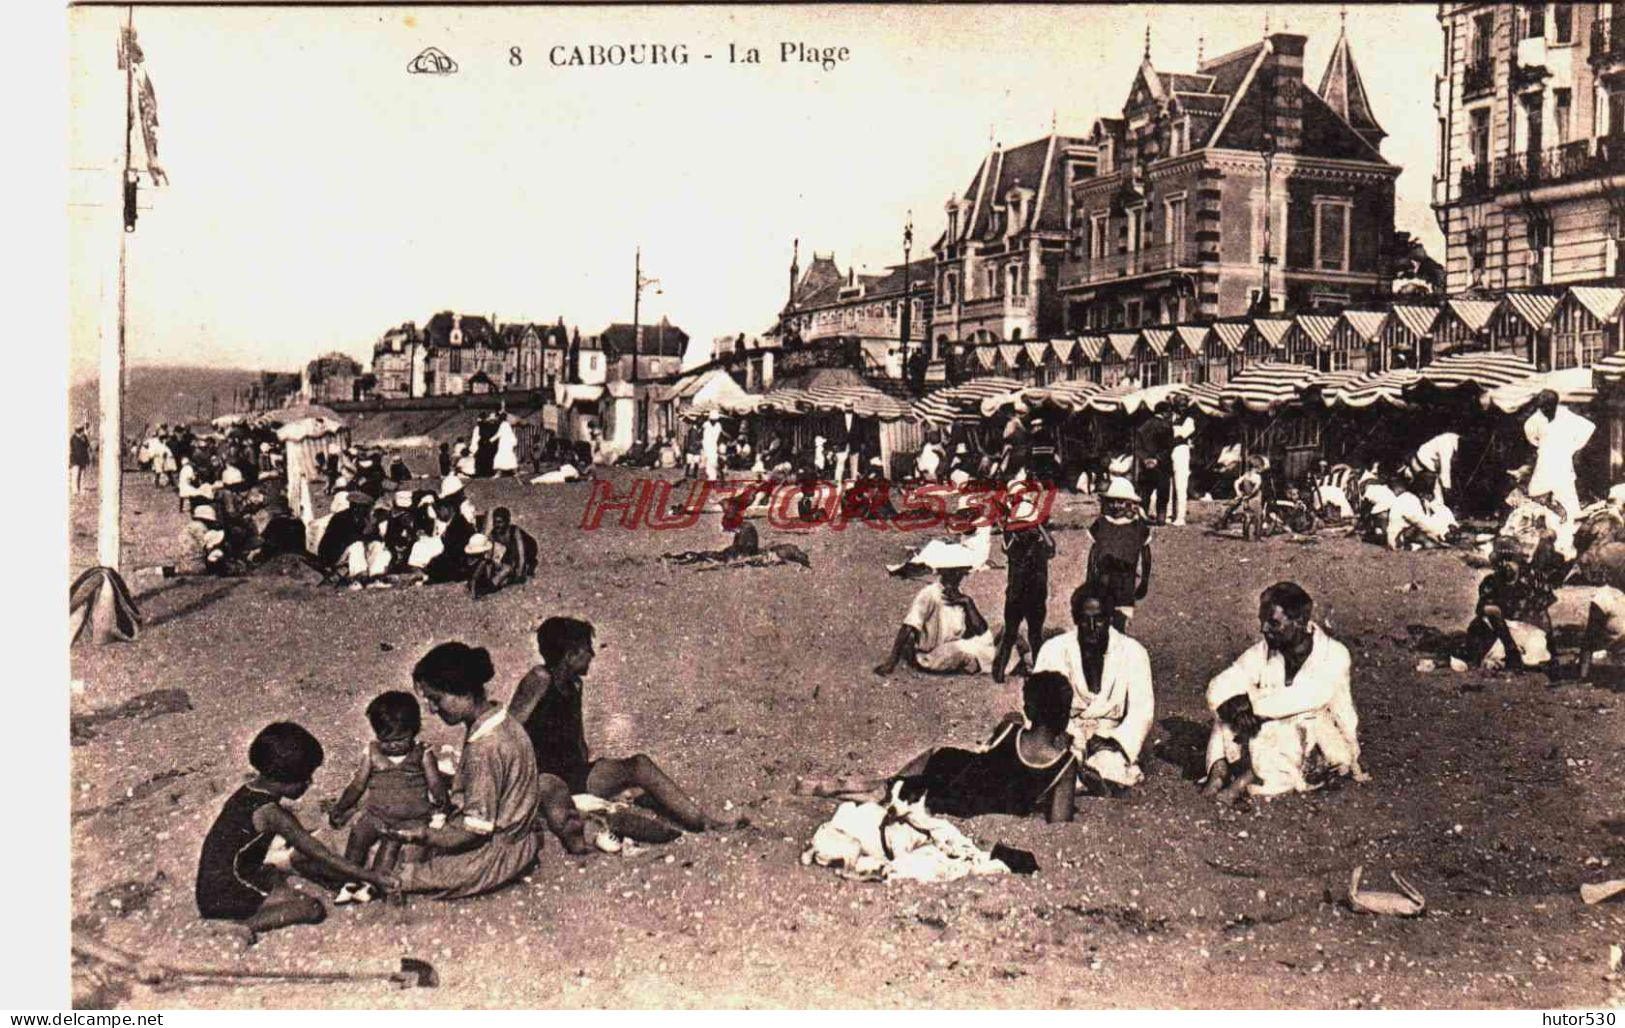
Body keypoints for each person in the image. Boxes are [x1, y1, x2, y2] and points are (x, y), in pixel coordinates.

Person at [508, 618, 742, 851]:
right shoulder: (539, 679)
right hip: (544, 780)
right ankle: (605, 816)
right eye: (586, 649)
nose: (592, 655)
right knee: (623, 795)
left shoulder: (575, 685)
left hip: (574, 774)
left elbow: (578, 738)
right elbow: (509, 731)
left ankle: (701, 822)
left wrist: (597, 772)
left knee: (638, 765)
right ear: (569, 655)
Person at [195, 723, 392, 944]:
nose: (310, 782)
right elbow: (321, 854)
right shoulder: (272, 813)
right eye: (305, 778)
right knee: (311, 908)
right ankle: (242, 926)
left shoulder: (249, 790)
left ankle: (262, 896)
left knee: (280, 873)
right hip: (223, 895)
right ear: (283, 779)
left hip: (215, 883)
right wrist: (372, 876)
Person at [793, 671, 1078, 822]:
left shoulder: (1011, 729)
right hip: (973, 802)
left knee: (926, 764)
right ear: (1064, 713)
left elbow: (992, 753)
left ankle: (869, 783)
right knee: (902, 794)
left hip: (959, 775)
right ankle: (874, 788)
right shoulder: (1064, 765)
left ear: (1030, 708)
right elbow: (1060, 821)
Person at [387, 643, 543, 899]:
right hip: (515, 838)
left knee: (399, 871)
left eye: (436, 699)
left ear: (463, 692)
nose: (432, 709)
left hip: (496, 852)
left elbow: (473, 831)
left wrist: (426, 836)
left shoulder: (485, 748)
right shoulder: (500, 720)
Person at [1202, 582, 1364, 802]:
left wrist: (1251, 706)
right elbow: (1219, 685)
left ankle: (1246, 780)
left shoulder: (1334, 654)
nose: (1263, 629)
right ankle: (1218, 770)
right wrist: (1235, 708)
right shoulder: (1265, 650)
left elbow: (1308, 697)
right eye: (1262, 620)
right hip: (1266, 727)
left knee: (1291, 722)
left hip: (1320, 738)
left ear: (1299, 622)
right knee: (1227, 710)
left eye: (1272, 623)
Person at [1032, 583, 1156, 793]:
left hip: (1109, 735)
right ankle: (1078, 778)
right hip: (1066, 731)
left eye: (1098, 619)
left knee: (1110, 766)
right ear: (1075, 619)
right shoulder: (1054, 649)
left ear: (1109, 618)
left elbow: (1142, 711)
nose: (1091, 626)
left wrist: (1114, 742)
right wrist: (1062, 734)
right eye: (1084, 619)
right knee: (1050, 762)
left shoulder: (1133, 652)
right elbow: (1039, 699)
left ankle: (1079, 779)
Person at [326, 692, 449, 903]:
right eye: (386, 740)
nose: (393, 745)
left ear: (414, 730)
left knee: (390, 845)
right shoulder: (373, 753)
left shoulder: (423, 753)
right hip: (377, 814)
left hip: (411, 818)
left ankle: (374, 885)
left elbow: (435, 782)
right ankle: (350, 879)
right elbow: (357, 785)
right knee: (358, 834)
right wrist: (340, 807)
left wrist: (442, 801)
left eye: (400, 739)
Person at [875, 560, 1003, 675]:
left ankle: (1007, 658)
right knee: (965, 651)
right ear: (943, 571)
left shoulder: (960, 594)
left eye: (961, 571)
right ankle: (1006, 662)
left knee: (1003, 629)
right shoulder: (930, 594)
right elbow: (909, 626)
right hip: (934, 654)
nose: (959, 575)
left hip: (958, 643)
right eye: (955, 570)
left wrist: (968, 603)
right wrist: (891, 663)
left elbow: (981, 631)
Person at [992, 494, 1055, 684]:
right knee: (1014, 633)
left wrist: (1038, 528)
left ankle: (1031, 670)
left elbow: (1051, 547)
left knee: (1032, 635)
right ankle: (1001, 671)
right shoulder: (1014, 542)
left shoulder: (1036, 543)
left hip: (1028, 595)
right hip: (1020, 595)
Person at [1465, 538, 1555, 671]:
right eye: (1501, 560)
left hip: (1526, 627)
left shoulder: (1534, 580)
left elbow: (1543, 613)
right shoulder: (1491, 582)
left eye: (1509, 559)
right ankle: (1509, 653)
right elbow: (1490, 612)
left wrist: (1552, 646)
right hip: (1500, 631)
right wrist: (1510, 646)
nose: (1505, 564)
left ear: (1518, 560)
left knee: (1537, 651)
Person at [1086, 478, 1152, 631]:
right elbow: (1093, 554)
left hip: (1124, 583)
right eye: (1113, 501)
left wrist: (1144, 581)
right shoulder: (1102, 523)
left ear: (1130, 503)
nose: (1116, 505)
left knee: (1119, 623)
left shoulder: (1137, 527)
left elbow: (1146, 556)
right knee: (1100, 623)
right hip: (1102, 581)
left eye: (1121, 502)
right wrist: (1089, 579)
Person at [1525, 389, 1595, 525]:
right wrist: (1540, 444)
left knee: (1564, 486)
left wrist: (1573, 447)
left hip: (1562, 457)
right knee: (1539, 488)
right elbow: (1530, 431)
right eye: (1542, 406)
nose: (1545, 409)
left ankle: (1567, 518)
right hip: (1545, 457)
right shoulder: (1537, 418)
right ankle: (1543, 517)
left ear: (1555, 404)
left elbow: (1588, 427)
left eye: (1548, 406)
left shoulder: (1565, 415)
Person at [1385, 471, 1453, 550]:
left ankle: (1430, 542)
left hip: (1413, 532)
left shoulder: (1421, 500)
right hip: (1399, 538)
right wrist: (1442, 535)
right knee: (1425, 535)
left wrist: (1447, 528)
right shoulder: (1407, 499)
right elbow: (1421, 522)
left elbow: (1432, 518)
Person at [1409, 431, 1460, 509]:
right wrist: (1447, 487)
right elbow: (1445, 466)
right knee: (1429, 494)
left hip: (1427, 465)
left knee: (1438, 497)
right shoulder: (1447, 444)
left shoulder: (1450, 439)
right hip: (1423, 465)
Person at [1169, 397, 1196, 526]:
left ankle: (1180, 516)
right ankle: (1168, 514)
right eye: (1179, 405)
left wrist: (1172, 432)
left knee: (1181, 483)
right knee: (1168, 483)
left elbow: (1182, 434)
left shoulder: (1189, 420)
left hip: (1181, 450)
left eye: (1184, 405)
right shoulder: (1171, 417)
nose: (1182, 407)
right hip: (1169, 449)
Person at [493, 413, 520, 477]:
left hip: (505, 445)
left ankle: (499, 473)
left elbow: (499, 434)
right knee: (508, 457)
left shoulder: (503, 425)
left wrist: (491, 440)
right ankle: (514, 472)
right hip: (506, 444)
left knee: (502, 457)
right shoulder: (506, 425)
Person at [701, 413, 725, 481]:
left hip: (714, 445)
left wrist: (720, 444)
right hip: (706, 444)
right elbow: (701, 434)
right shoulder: (706, 424)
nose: (714, 421)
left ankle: (713, 475)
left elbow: (720, 435)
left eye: (715, 420)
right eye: (713, 420)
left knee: (714, 460)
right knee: (708, 460)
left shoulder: (718, 425)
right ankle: (711, 476)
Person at [70, 426, 91, 496]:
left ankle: (82, 489)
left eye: (82, 431)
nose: (82, 432)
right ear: (78, 431)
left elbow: (88, 446)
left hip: (83, 459)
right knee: (75, 475)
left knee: (82, 476)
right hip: (75, 460)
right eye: (81, 431)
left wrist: (87, 460)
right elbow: (77, 451)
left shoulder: (84, 437)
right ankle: (75, 491)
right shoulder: (73, 439)